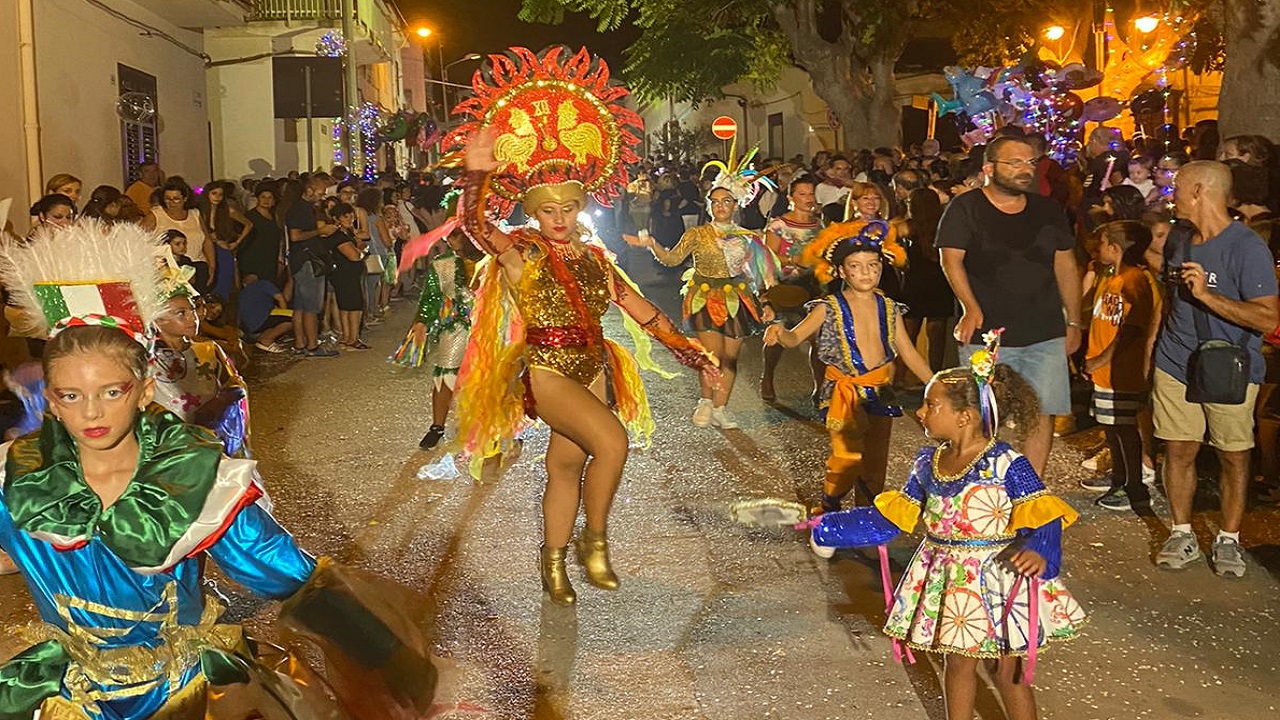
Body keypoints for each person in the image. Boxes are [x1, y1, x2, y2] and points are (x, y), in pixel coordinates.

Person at [0, 219, 437, 718]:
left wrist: (389, 658)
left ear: (144, 392)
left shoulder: (196, 482)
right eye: (71, 396)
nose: (92, 413)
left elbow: (286, 574)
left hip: (185, 692)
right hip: (67, 692)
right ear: (51, 402)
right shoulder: (17, 479)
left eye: (111, 391)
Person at [450, 45, 718, 606]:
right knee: (613, 443)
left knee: (567, 464)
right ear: (532, 211)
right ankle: (592, 542)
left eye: (568, 208)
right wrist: (475, 178)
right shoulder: (521, 253)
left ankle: (551, 563)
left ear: (580, 207)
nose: (560, 219)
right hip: (546, 370)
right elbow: (475, 229)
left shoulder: (595, 257)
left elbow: (640, 309)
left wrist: (691, 353)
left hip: (594, 366)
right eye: (548, 211)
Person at [810, 333, 1085, 720]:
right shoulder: (927, 463)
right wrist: (831, 526)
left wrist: (1041, 547)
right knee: (957, 665)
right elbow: (893, 518)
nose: (921, 413)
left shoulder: (1007, 464)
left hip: (1000, 578)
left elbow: (1045, 514)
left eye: (930, 405)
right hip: (951, 580)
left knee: (1009, 671)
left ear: (965, 417)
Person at [1150, 161, 1280, 577]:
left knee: (1233, 454)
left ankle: (1228, 539)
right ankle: (1182, 532)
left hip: (1230, 365)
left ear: (1200, 190)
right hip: (1176, 359)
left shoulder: (1247, 248)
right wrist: (1153, 347)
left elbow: (1267, 319)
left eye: (1178, 187)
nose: (1172, 194)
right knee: (1178, 448)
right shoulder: (1179, 239)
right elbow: (1168, 298)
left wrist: (1207, 296)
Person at [765, 224, 934, 518]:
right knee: (846, 458)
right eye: (856, 266)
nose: (866, 273)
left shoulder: (890, 308)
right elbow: (796, 337)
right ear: (841, 272)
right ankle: (830, 504)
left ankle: (864, 518)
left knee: (875, 461)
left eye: (873, 265)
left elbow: (907, 352)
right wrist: (781, 332)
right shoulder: (828, 307)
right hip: (843, 392)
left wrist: (936, 383)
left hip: (881, 389)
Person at [939, 135, 1083, 477]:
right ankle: (983, 484)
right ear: (989, 168)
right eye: (1014, 162)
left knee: (1041, 412)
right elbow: (951, 260)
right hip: (986, 334)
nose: (1025, 170)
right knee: (981, 414)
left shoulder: (1047, 210)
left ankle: (1029, 490)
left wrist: (1074, 321)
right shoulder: (965, 208)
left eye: (1030, 163)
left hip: (1044, 329)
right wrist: (969, 307)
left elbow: (1065, 264)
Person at [628, 148, 779, 429]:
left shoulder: (748, 238)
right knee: (711, 357)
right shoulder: (697, 234)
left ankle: (721, 408)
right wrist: (653, 245)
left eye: (727, 201)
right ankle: (706, 402)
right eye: (716, 201)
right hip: (705, 298)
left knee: (730, 359)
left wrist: (767, 303)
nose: (721, 206)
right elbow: (672, 259)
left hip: (738, 298)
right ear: (709, 206)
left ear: (736, 205)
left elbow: (760, 275)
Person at [1078, 221, 1157, 511]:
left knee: (1124, 430)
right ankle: (1121, 478)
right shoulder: (1112, 277)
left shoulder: (1133, 279)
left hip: (1121, 372)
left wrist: (1103, 358)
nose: (1097, 249)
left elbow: (1134, 327)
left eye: (1102, 243)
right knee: (1112, 428)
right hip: (1105, 372)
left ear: (1114, 248)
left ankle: (1134, 487)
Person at [149, 257, 252, 457]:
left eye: (193, 310)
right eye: (181, 313)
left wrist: (222, 404)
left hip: (213, 433)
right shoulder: (149, 357)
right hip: (171, 443)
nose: (193, 318)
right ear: (158, 319)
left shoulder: (208, 349)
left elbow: (234, 382)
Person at [393, 227, 477, 449]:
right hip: (456, 326)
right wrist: (421, 321)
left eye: (457, 234)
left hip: (487, 326)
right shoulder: (442, 264)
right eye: (449, 235)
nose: (451, 239)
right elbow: (431, 297)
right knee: (445, 373)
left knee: (487, 376)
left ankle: (489, 426)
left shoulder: (491, 259)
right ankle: (437, 427)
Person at [761, 176, 826, 402]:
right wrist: (794, 260)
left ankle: (820, 386)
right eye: (802, 194)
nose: (808, 199)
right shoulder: (779, 225)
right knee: (778, 337)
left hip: (813, 288)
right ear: (791, 198)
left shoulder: (819, 225)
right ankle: (767, 376)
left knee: (817, 338)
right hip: (785, 288)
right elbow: (768, 258)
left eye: (811, 194)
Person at [901, 187, 955, 373]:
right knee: (937, 335)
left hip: (914, 283)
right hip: (939, 283)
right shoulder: (944, 225)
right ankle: (935, 373)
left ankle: (902, 375)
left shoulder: (908, 227)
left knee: (908, 334)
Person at [285, 177, 339, 357]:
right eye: (321, 192)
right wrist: (320, 232)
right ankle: (312, 345)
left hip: (302, 259)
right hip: (307, 261)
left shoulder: (304, 208)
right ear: (309, 190)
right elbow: (295, 236)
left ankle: (301, 343)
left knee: (300, 306)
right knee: (311, 306)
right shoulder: (300, 209)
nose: (322, 197)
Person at [145, 178, 216, 295]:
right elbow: (140, 241)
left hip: (197, 265)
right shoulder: (156, 214)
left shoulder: (195, 214)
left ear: (185, 198)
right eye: (167, 199)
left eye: (176, 199)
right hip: (170, 269)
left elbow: (207, 241)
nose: (171, 202)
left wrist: (212, 266)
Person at [200, 180, 251, 300]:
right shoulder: (199, 212)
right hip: (204, 252)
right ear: (207, 194)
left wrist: (236, 243)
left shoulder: (227, 210)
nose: (217, 197)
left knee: (223, 285)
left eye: (220, 194)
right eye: (214, 193)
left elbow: (248, 224)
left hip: (222, 252)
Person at [239, 182, 283, 284]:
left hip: (270, 262)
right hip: (252, 263)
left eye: (270, 197)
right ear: (257, 198)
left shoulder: (275, 217)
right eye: (263, 197)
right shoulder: (249, 217)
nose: (266, 200)